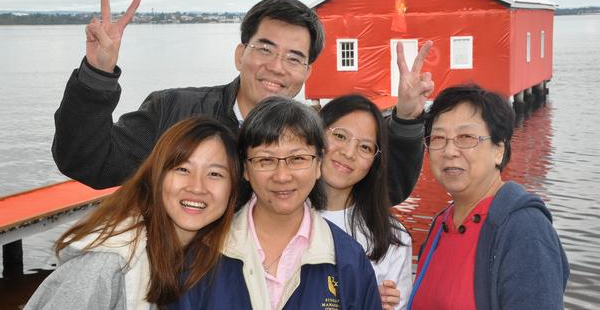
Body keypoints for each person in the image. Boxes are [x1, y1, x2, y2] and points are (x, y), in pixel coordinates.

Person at [52, 0, 434, 202]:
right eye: (264, 49)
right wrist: (98, 75)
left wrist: (407, 119)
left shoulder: (313, 138)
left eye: (294, 58)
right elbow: (89, 162)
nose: (276, 67)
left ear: (307, 72)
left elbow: (388, 189)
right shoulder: (174, 110)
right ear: (240, 54)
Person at [169, 96, 382, 309]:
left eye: (297, 159)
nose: (282, 176)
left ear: (318, 164)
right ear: (245, 170)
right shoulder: (200, 255)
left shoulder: (349, 260)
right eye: (265, 160)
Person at [25, 116, 240, 309]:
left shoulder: (210, 258)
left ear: (233, 188)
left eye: (214, 174)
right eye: (182, 169)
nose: (197, 187)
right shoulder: (108, 265)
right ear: (156, 175)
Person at [408, 85, 569, 310]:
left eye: (465, 137)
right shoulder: (441, 224)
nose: (449, 151)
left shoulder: (525, 230)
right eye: (438, 138)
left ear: (499, 150)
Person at [318, 94, 413, 310]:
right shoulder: (279, 214)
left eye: (365, 147)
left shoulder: (393, 238)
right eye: (340, 136)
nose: (349, 153)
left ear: (375, 162)